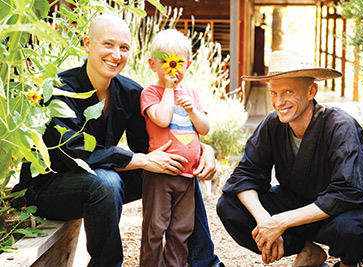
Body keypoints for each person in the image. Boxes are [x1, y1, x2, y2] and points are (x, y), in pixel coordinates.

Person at [12, 14, 223, 267]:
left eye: (123, 48)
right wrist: (139, 160)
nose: (116, 54)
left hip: (99, 183)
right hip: (49, 189)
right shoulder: (58, 89)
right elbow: (72, 152)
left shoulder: (129, 92)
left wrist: (202, 149)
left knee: (175, 164)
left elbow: (154, 146)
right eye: (108, 44)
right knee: (107, 182)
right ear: (87, 44)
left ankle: (205, 261)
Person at [216, 50, 363, 267]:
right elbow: (245, 174)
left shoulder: (340, 126)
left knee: (353, 229)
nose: (279, 102)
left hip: (337, 214)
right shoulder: (273, 124)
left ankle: (346, 264)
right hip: (297, 206)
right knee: (229, 206)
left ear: (311, 91)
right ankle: (308, 251)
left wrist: (280, 222)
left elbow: (346, 193)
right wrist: (265, 220)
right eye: (274, 93)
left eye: (288, 91)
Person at [139, 29, 210, 267]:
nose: (173, 69)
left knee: (182, 228)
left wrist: (193, 111)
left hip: (187, 176)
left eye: (179, 63)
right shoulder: (151, 92)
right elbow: (161, 118)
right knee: (155, 227)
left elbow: (205, 128)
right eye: (166, 63)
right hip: (160, 174)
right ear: (152, 64)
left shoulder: (192, 95)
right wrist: (169, 89)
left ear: (188, 64)